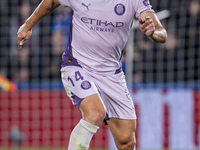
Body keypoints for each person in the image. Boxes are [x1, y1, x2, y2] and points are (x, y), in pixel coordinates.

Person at [17, 0, 167, 149]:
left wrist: (153, 32)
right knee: (95, 113)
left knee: (127, 142)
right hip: (77, 65)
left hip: (112, 75)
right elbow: (51, 2)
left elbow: (161, 33)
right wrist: (28, 25)